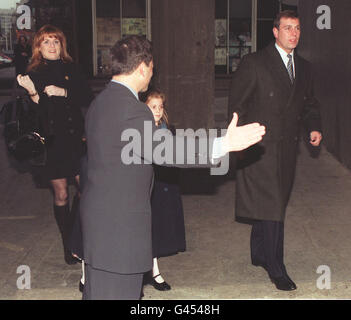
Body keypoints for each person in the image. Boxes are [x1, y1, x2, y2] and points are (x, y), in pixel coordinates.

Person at [80, 35, 266, 300]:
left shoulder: (100, 102)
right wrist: (222, 144)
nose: (152, 75)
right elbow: (166, 149)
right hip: (119, 233)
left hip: (99, 226)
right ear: (142, 67)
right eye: (152, 68)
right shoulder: (133, 110)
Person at [228, 10, 322, 291]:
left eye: (297, 28)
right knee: (273, 208)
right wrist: (238, 141)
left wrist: (313, 127)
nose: (293, 33)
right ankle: (276, 267)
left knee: (274, 201)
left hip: (288, 149)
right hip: (261, 146)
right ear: (275, 32)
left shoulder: (304, 67)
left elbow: (309, 104)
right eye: (287, 28)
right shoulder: (254, 63)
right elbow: (238, 105)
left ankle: (258, 252)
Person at [16, 25, 94, 265]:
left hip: (75, 139)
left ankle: (76, 235)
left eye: (56, 42)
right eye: (46, 42)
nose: (52, 46)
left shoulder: (72, 68)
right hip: (51, 142)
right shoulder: (33, 73)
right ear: (38, 47)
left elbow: (87, 97)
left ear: (62, 45)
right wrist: (31, 93)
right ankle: (67, 243)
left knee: (86, 189)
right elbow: (33, 115)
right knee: (61, 193)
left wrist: (64, 91)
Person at [142, 89, 186, 291]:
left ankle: (154, 271)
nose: (158, 111)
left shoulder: (165, 127)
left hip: (160, 183)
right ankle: (142, 273)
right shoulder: (141, 127)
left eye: (160, 107)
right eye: (153, 107)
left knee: (155, 227)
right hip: (143, 183)